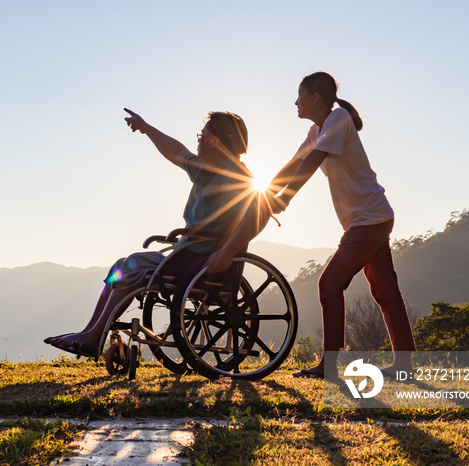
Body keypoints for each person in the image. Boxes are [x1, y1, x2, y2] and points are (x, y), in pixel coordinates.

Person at [205, 71, 416, 378]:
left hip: (368, 220)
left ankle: (330, 366)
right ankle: (405, 365)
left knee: (329, 284)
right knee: (386, 292)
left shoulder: (338, 118)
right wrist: (262, 195)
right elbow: (292, 165)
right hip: (371, 218)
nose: (295, 102)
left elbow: (313, 160)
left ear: (315, 97)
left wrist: (284, 200)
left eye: (300, 95)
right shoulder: (318, 129)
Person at [45, 108, 260, 358]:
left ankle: (93, 337)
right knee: (120, 265)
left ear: (215, 141)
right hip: (186, 255)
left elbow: (255, 218)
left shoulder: (237, 176)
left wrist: (226, 253)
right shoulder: (205, 170)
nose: (198, 139)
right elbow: (176, 152)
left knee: (132, 264)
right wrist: (146, 128)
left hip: (199, 260)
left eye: (202, 134)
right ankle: (91, 331)